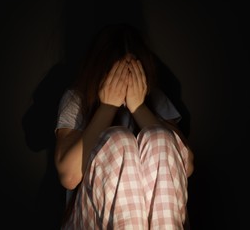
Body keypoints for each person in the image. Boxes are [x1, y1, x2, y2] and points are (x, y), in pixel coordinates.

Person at [54, 23, 194, 229]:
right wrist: (107, 108)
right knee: (118, 140)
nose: (125, 78)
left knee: (160, 137)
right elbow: (69, 176)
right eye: (117, 72)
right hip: (91, 219)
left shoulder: (154, 99)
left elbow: (186, 166)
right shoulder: (76, 98)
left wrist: (139, 108)